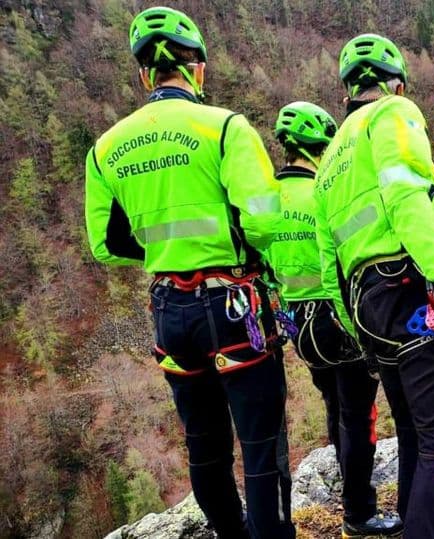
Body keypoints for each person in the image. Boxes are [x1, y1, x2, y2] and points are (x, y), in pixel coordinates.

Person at [84, 7, 294, 538]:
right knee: (260, 442)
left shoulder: (105, 148)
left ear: (143, 76)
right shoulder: (225, 127)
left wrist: (169, 249)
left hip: (169, 310)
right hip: (233, 300)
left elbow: (105, 244)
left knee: (204, 443)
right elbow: (264, 220)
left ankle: (232, 533)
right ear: (197, 68)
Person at [315, 33, 434, 539]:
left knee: (414, 432)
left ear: (347, 92)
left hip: (368, 306)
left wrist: (358, 332)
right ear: (395, 84)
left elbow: (331, 267)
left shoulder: (329, 162)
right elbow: (408, 199)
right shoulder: (393, 114)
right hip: (410, 289)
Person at [264, 101, 400, 537]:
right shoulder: (324, 190)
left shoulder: (265, 197)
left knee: (334, 405)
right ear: (320, 147)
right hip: (336, 319)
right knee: (358, 415)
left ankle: (350, 494)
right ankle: (359, 512)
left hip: (299, 322)